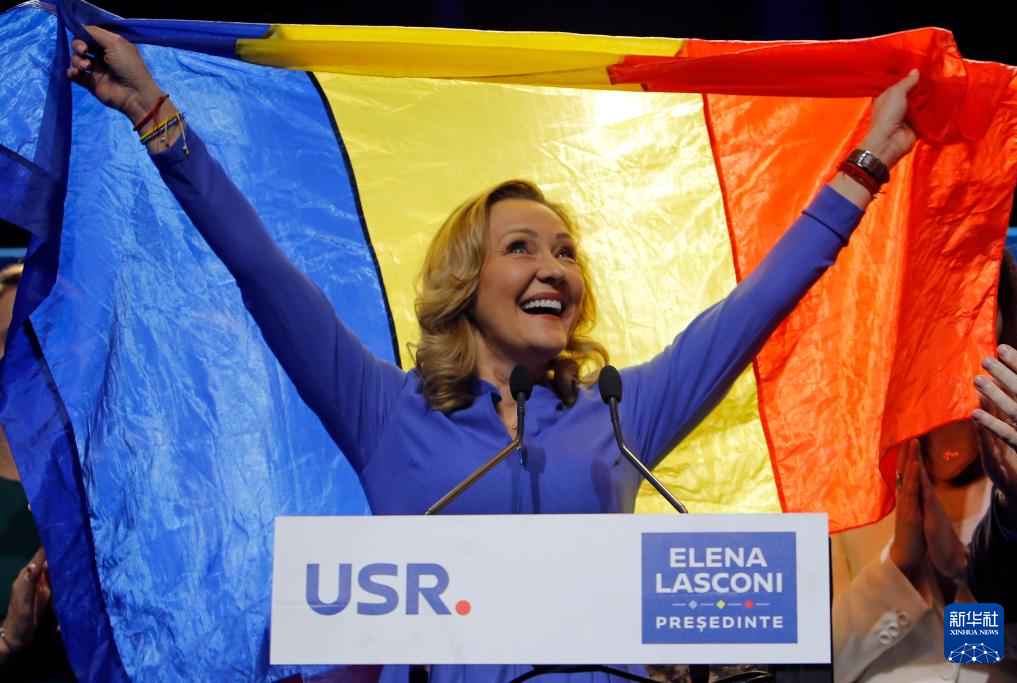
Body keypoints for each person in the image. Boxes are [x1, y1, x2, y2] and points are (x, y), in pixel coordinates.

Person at [67, 25, 919, 683]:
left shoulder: (617, 414)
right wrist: (155, 115)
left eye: (566, 252)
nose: (555, 268)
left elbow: (752, 309)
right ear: (466, 282)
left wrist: (867, 164)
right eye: (522, 249)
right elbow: (262, 269)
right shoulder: (384, 410)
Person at [831, 250, 1017, 683]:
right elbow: (817, 663)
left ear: (1004, 320)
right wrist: (899, 563)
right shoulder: (841, 465)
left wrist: (963, 578)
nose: (953, 325)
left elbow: (977, 653)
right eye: (931, 301)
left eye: (976, 301)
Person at [0, 264, 75, 681]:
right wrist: (8, 641)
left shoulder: (103, 481)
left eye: (42, 339)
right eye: (10, 340)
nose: (27, 361)